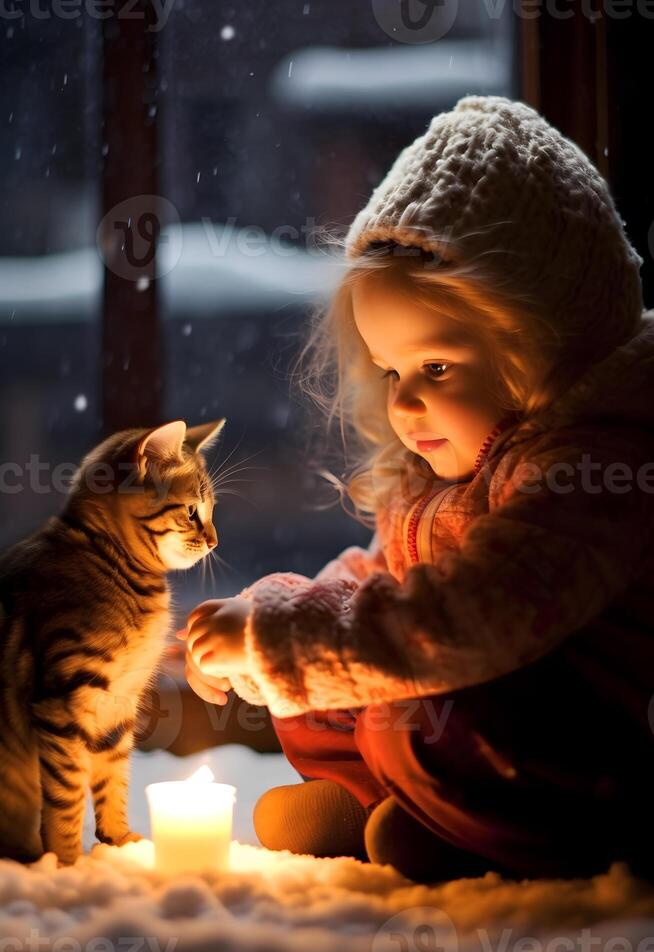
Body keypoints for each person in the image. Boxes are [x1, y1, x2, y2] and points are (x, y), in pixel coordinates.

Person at [179, 95, 654, 883]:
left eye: (435, 368)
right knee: (316, 684)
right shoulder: (449, 465)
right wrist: (268, 624)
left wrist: (289, 641)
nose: (403, 402)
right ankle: (380, 810)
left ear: (541, 343)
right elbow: (381, 581)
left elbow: (471, 615)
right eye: (392, 370)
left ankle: (499, 837)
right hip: (483, 724)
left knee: (414, 708)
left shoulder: (594, 471)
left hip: (588, 752)